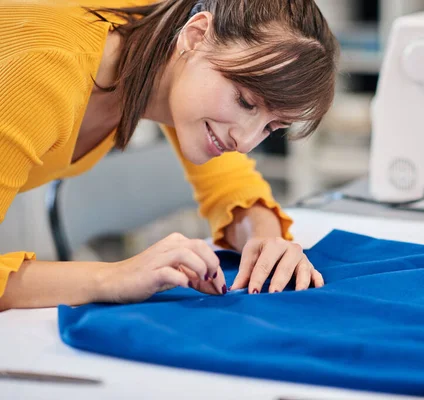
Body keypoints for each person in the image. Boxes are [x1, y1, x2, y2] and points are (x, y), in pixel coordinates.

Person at [0, 0, 339, 310]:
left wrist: (266, 241)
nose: (246, 141)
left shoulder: (162, 51)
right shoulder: (44, 71)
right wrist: (113, 277)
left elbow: (231, 187)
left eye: (270, 127)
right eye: (245, 102)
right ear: (195, 36)